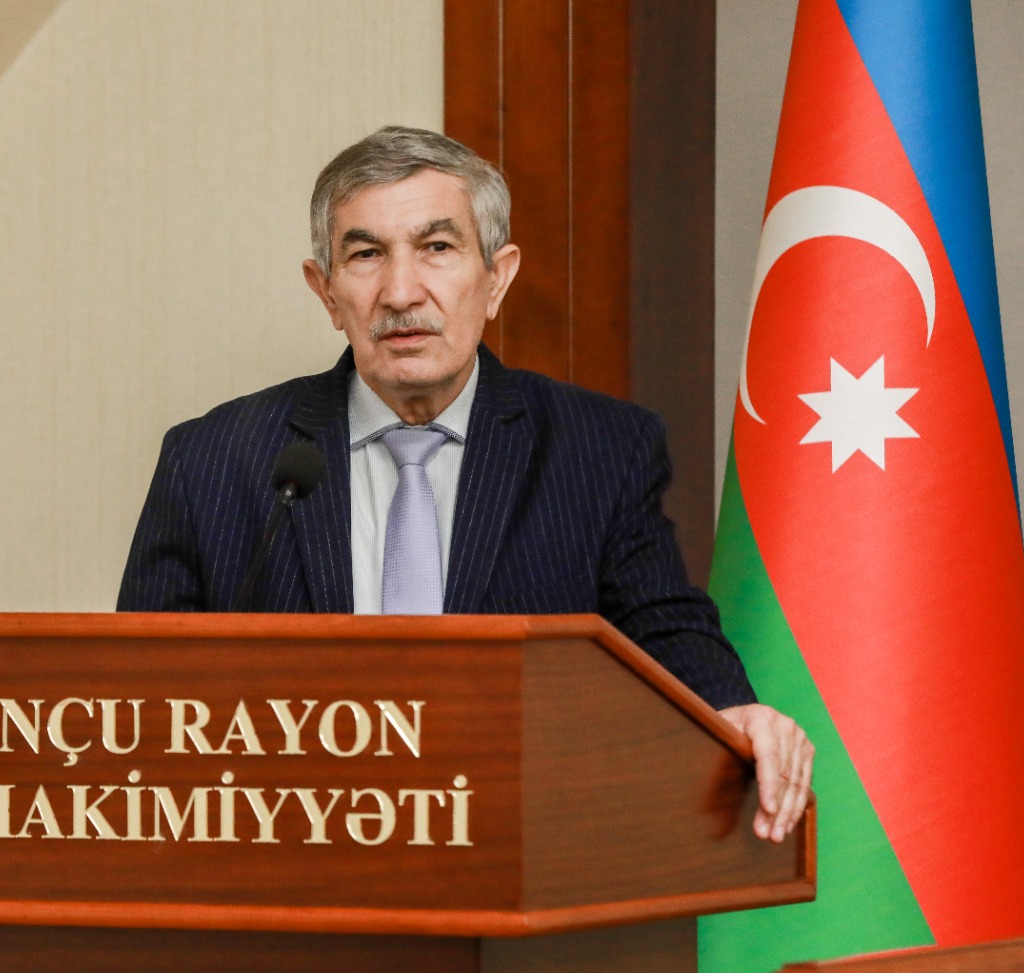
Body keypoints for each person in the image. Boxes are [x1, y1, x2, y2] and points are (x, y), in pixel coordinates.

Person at [119, 126, 813, 843]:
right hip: (289, 853)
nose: (400, 292)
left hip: (524, 845)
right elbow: (136, 698)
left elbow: (662, 627)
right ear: (326, 291)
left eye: (437, 248)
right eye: (365, 255)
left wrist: (727, 709)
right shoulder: (213, 459)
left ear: (497, 277)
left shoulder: (599, 448)